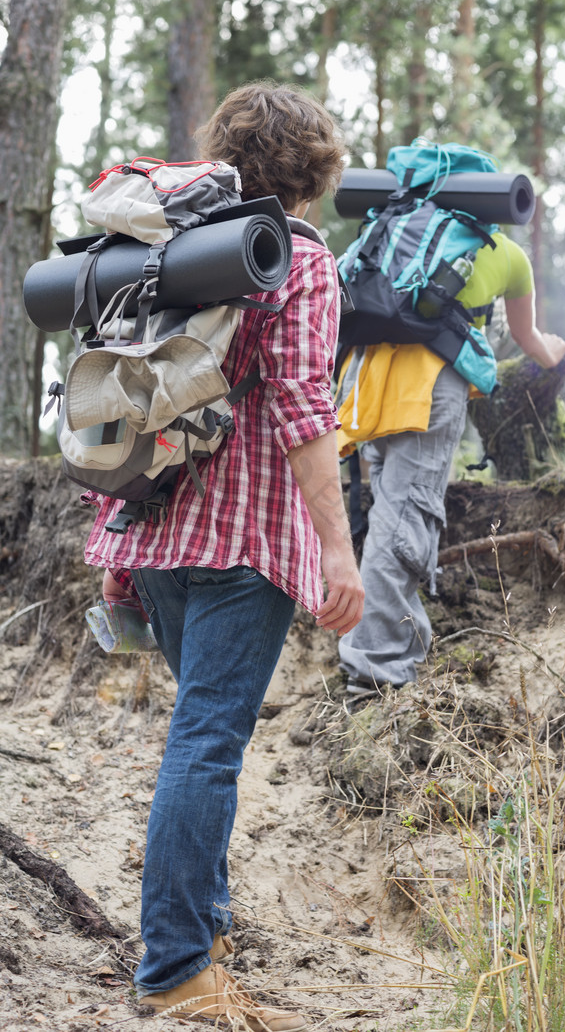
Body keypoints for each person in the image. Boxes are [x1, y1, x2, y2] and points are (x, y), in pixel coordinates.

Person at [83, 82, 364, 1029]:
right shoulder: (301, 260)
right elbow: (300, 406)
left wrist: (119, 540)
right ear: (317, 167)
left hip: (158, 530)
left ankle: (207, 934)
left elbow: (116, 395)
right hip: (248, 543)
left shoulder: (166, 253)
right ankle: (175, 972)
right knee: (206, 748)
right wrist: (340, 548)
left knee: (196, 743)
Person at [335, 220, 565, 697]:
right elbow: (529, 339)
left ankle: (384, 645)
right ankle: (375, 672)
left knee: (388, 514)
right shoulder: (503, 251)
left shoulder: (389, 229)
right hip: (427, 390)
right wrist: (558, 356)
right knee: (403, 522)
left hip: (363, 384)